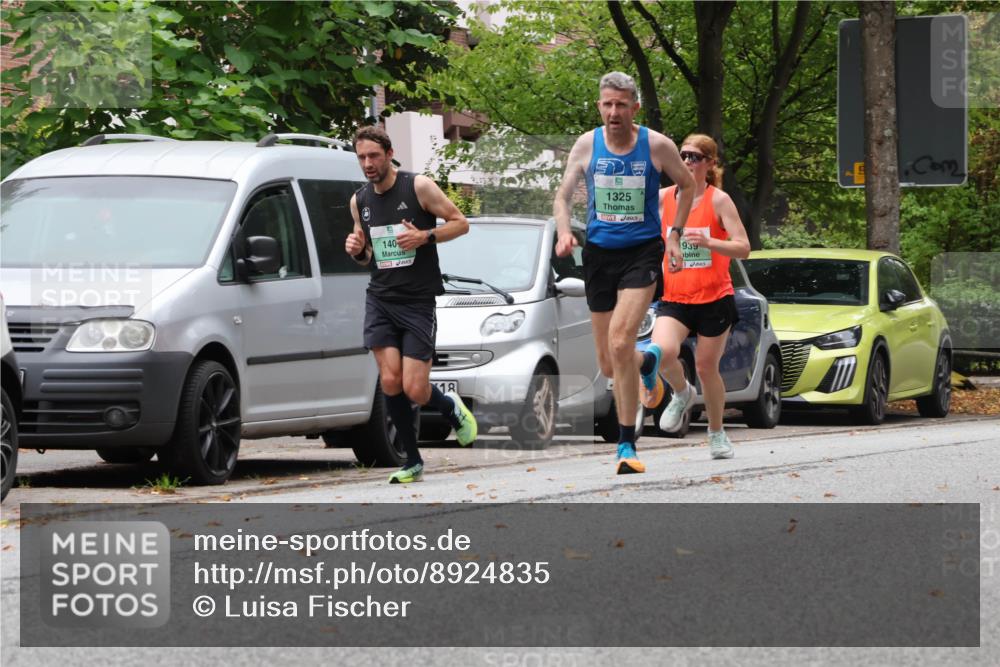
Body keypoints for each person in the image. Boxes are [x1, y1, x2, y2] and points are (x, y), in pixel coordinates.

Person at [553, 72, 694, 475]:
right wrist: (565, 232)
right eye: (606, 104)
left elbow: (686, 185)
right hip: (598, 255)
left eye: (621, 104)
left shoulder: (656, 145)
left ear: (634, 107)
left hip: (642, 252)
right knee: (611, 362)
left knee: (620, 340)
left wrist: (675, 236)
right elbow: (562, 196)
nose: (613, 112)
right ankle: (647, 365)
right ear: (599, 106)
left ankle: (626, 444)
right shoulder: (586, 144)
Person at [346, 126, 478, 483]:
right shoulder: (360, 201)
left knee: (415, 388)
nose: (368, 164)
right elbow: (370, 256)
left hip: (418, 300)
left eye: (374, 156)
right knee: (390, 379)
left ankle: (451, 407)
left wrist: (425, 236)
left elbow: (460, 223)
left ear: (389, 154)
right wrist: (358, 252)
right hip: (381, 298)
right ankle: (412, 460)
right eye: (362, 157)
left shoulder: (417, 186)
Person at [646, 133, 751, 459]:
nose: (688, 161)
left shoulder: (718, 201)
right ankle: (681, 392)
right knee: (662, 352)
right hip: (676, 297)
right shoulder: (664, 198)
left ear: (709, 163)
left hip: (714, 298)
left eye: (694, 156)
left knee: (707, 368)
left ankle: (716, 433)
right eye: (683, 155)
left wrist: (709, 244)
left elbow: (743, 248)